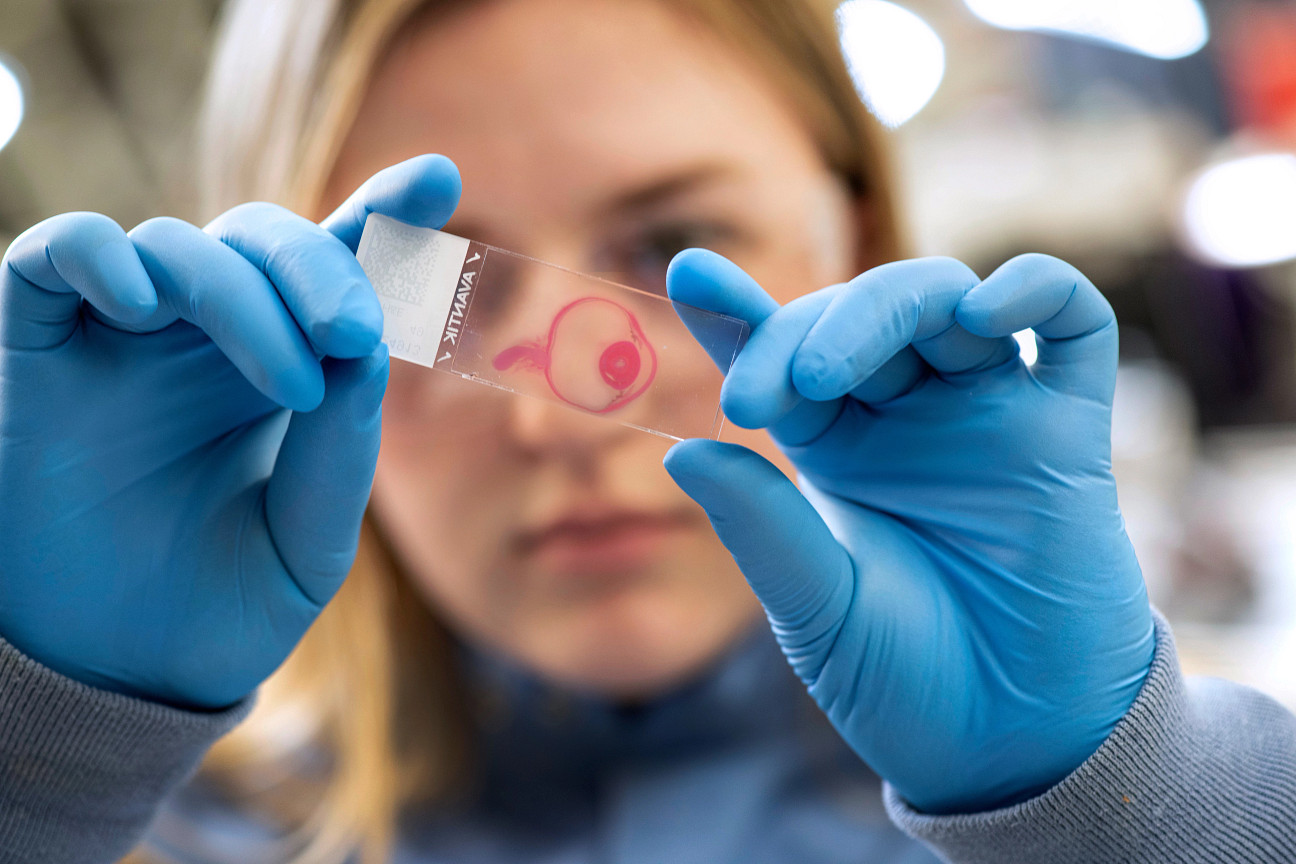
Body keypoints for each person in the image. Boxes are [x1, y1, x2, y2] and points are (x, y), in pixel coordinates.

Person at [1, 0, 1293, 862]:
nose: (557, 426)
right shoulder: (142, 827)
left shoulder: (1117, 781)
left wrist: (1135, 811)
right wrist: (42, 767)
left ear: (856, 240)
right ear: (265, 338)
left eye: (677, 244)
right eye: (426, 294)